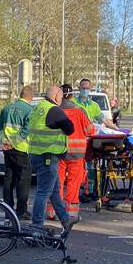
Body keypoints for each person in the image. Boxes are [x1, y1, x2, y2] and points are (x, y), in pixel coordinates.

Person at [28, 85, 75, 233]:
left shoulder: (38, 107)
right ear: (55, 97)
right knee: (43, 192)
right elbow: (70, 128)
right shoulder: (54, 110)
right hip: (48, 157)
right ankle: (37, 226)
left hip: (37, 154)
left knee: (54, 191)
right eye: (61, 97)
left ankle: (65, 220)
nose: (62, 100)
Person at [51, 84, 96, 222]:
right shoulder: (79, 111)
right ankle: (71, 214)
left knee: (56, 183)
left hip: (59, 152)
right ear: (72, 95)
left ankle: (52, 212)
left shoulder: (55, 110)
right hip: (76, 154)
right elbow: (91, 130)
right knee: (73, 184)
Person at [0, 84, 34, 219]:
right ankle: (21, 211)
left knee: (9, 179)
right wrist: (14, 143)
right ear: (31, 97)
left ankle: (8, 210)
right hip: (21, 149)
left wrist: (3, 141)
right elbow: (26, 130)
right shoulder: (30, 109)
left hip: (6, 149)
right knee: (23, 181)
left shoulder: (7, 108)